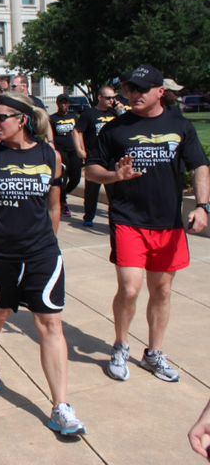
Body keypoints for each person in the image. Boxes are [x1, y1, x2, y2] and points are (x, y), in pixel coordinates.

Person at [0, 91, 88, 436]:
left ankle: (60, 406)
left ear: (22, 119)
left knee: (50, 324)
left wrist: (49, 241)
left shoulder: (51, 155)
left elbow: (53, 205)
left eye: (1, 117)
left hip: (42, 253)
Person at [85, 64, 209, 383]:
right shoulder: (114, 129)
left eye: (140, 89)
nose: (133, 94)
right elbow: (90, 170)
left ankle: (153, 354)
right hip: (128, 219)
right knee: (129, 288)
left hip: (167, 222)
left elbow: (199, 166)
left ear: (159, 91)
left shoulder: (181, 125)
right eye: (129, 88)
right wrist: (115, 175)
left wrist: (203, 205)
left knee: (162, 290)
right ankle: (121, 345)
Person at [73, 85, 121, 226]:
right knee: (91, 191)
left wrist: (120, 109)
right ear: (100, 98)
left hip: (111, 158)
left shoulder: (115, 114)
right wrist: (79, 150)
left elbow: (129, 123)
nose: (111, 100)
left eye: (113, 97)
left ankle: (115, 218)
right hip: (94, 157)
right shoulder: (89, 114)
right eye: (108, 98)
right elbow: (76, 131)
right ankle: (88, 217)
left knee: (113, 191)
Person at [49, 94, 81, 216]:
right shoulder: (52, 118)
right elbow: (50, 135)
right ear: (57, 104)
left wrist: (81, 149)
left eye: (65, 103)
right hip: (60, 150)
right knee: (63, 176)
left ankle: (63, 193)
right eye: (61, 103)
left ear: (68, 104)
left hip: (73, 150)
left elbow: (79, 134)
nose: (63, 105)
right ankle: (63, 202)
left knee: (76, 177)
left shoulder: (74, 117)